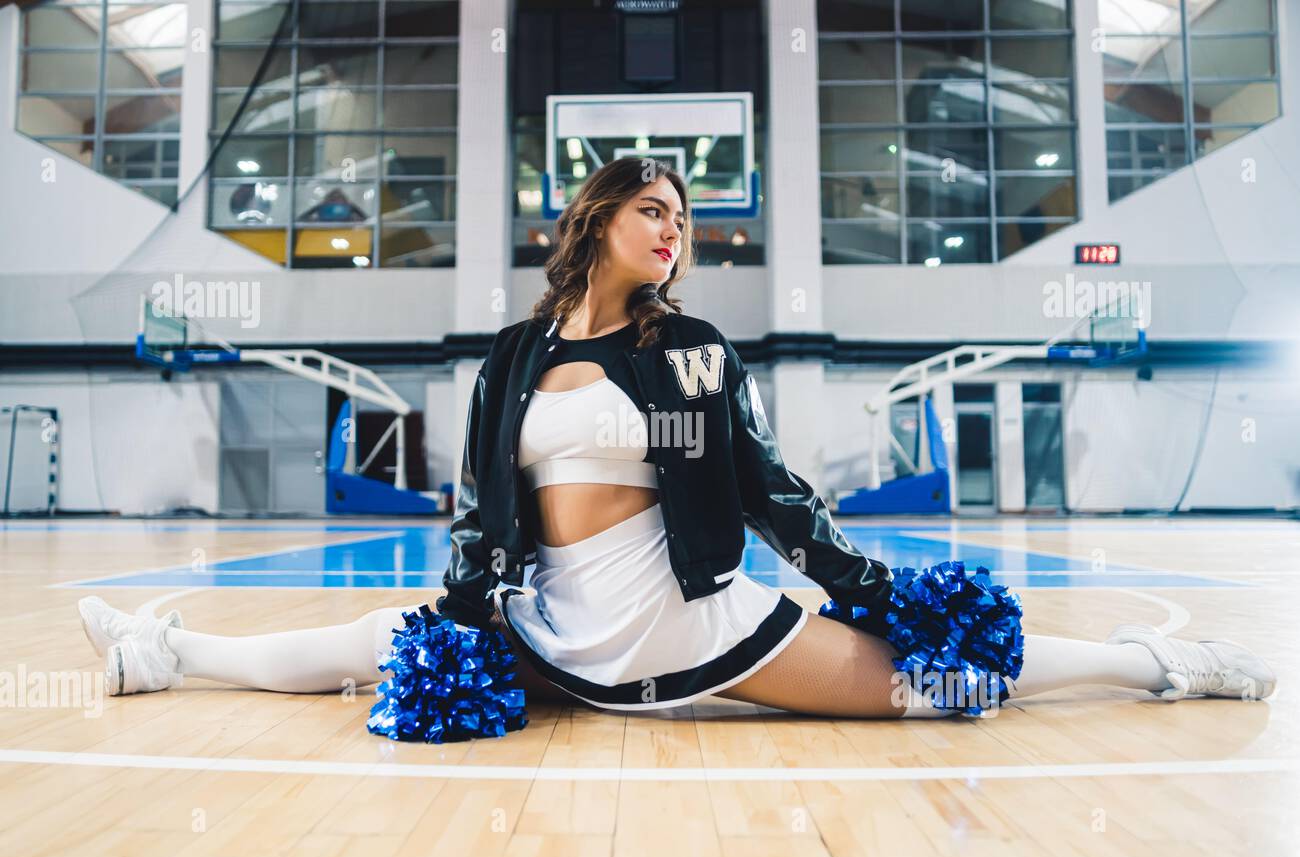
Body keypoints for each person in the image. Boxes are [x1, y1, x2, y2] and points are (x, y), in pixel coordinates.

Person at [78, 158, 1277, 735]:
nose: (673, 231)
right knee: (376, 642)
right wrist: (467, 602)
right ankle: (164, 649)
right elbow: (479, 505)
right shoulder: (514, 354)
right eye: (653, 209)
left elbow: (763, 488)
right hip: (555, 621)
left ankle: (1157, 667)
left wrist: (869, 589)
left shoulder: (686, 350)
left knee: (938, 686)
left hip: (689, 620)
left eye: (684, 219)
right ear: (593, 219)